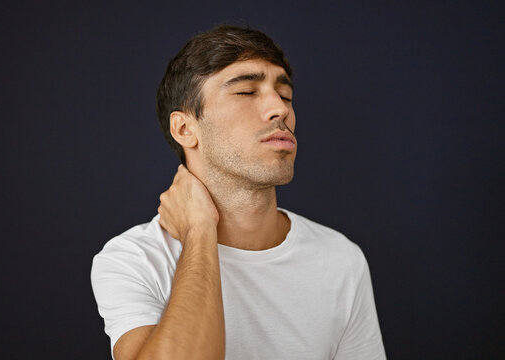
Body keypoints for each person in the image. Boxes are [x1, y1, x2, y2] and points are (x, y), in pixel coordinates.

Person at [91, 25, 386, 360]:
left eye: (285, 95)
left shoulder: (341, 259)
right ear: (185, 129)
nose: (281, 110)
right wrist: (199, 230)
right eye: (247, 91)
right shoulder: (134, 260)